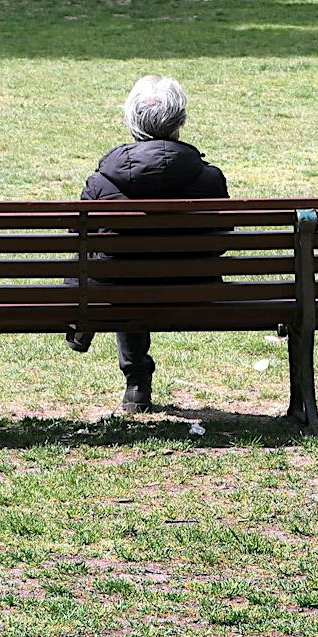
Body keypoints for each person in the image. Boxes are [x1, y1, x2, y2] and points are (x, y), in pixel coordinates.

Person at [65, 74, 227, 413]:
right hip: (194, 289)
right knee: (122, 271)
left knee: (110, 271)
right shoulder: (210, 179)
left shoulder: (101, 182)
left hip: (119, 292)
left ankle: (103, 345)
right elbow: (223, 238)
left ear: (132, 122)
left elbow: (78, 241)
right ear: (180, 121)